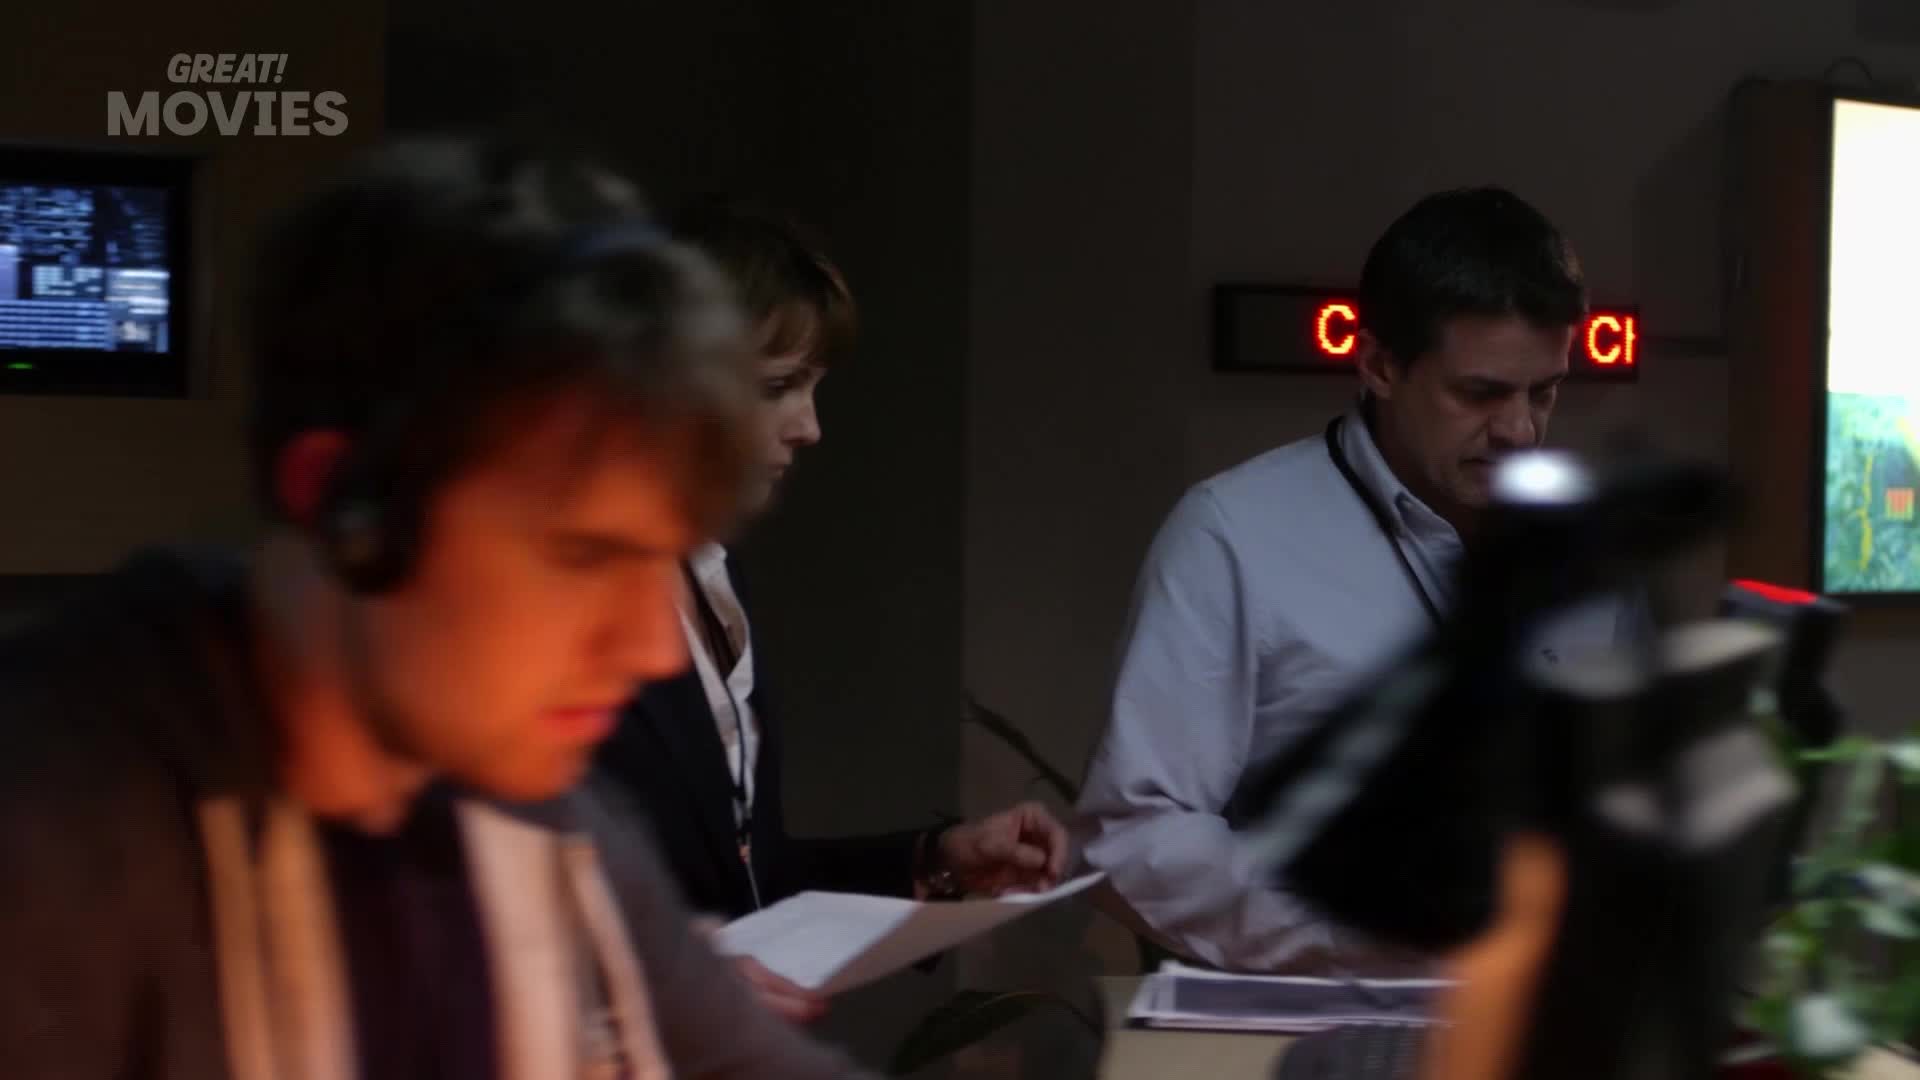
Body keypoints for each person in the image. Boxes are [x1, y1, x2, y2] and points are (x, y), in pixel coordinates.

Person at [0, 137, 880, 1079]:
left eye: (662, 556)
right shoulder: (51, 838)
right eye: (581, 556)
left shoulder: (549, 827)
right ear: (350, 509)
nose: (648, 650)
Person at [1074, 187, 1647, 974]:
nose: (1519, 430)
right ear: (1378, 363)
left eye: (1542, 392)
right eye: (1480, 393)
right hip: (1325, 1028)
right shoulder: (1233, 535)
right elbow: (1131, 838)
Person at [597, 199, 1071, 1023]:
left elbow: (747, 883)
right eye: (778, 387)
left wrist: (938, 863)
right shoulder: (529, 603)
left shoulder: (710, 578)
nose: (810, 428)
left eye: (811, 388)